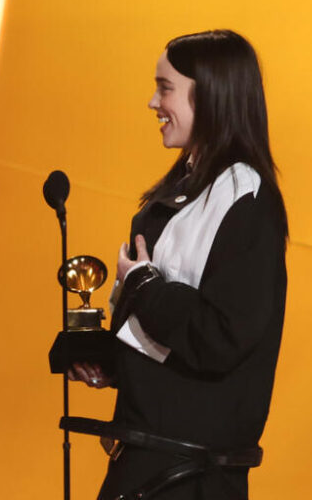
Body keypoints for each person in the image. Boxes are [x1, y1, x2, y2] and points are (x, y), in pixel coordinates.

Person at [68, 30, 288, 500]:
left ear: (208, 96)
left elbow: (223, 336)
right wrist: (111, 363)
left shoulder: (246, 199)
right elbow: (172, 342)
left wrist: (144, 285)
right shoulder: (178, 193)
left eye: (165, 88)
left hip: (190, 478)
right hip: (147, 463)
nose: (153, 102)